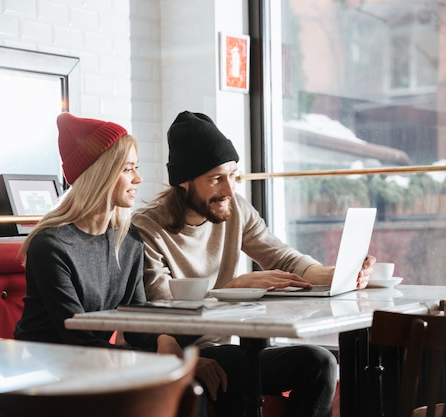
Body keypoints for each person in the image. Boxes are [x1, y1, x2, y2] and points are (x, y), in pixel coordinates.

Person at [132, 110, 377, 417]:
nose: (229, 190)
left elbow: (284, 258)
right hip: (187, 350)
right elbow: (160, 313)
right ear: (184, 181)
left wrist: (339, 274)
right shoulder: (147, 229)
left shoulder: (235, 210)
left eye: (233, 175)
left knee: (320, 363)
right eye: (216, 179)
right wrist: (229, 291)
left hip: (230, 351)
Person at [13, 112, 180, 353]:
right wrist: (153, 359)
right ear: (100, 175)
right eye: (128, 169)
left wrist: (162, 341)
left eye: (137, 168)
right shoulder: (51, 246)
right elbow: (77, 338)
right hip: (43, 367)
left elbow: (136, 321)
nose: (138, 178)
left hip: (92, 361)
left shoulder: (128, 239)